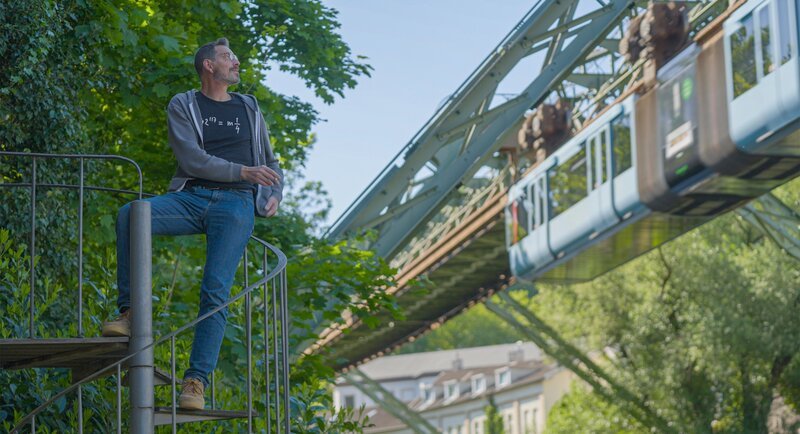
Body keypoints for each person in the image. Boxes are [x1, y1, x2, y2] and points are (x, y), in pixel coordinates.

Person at [101, 37, 283, 410]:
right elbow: (193, 159)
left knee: (215, 291)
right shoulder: (183, 104)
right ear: (208, 66)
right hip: (191, 195)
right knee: (131, 213)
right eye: (227, 57)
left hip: (235, 204)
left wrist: (275, 191)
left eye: (234, 56)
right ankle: (131, 312)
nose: (235, 61)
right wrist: (242, 170)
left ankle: (195, 381)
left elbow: (271, 161)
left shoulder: (249, 107)